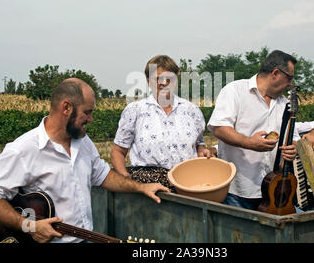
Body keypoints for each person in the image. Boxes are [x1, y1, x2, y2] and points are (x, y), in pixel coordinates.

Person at [0, 78, 169, 243]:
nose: (91, 119)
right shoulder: (23, 149)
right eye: (87, 112)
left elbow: (102, 175)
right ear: (67, 108)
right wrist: (28, 225)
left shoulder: (83, 141)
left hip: (84, 239)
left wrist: (141, 188)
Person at [207, 50, 300, 211]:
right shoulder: (235, 91)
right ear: (275, 73)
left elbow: (293, 138)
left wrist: (293, 148)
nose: (290, 84)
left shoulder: (284, 103)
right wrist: (249, 142)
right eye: (289, 78)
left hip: (272, 191)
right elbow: (219, 128)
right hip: (237, 190)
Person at [111, 55, 211, 189]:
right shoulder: (135, 110)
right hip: (147, 187)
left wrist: (202, 151)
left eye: (169, 78)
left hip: (188, 183)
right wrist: (125, 178)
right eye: (157, 78)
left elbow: (199, 144)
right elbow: (118, 151)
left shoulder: (192, 110)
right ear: (148, 81)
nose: (163, 83)